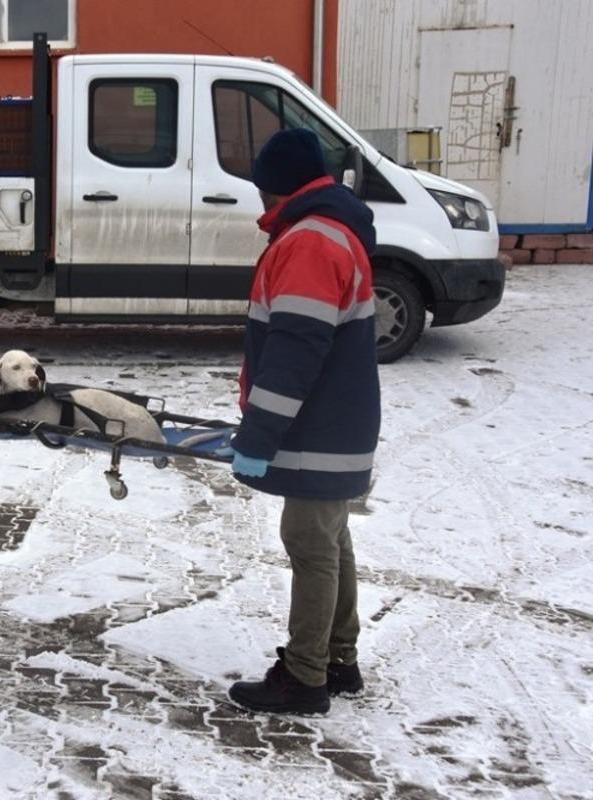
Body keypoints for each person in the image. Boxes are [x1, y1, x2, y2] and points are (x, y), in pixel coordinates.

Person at [225, 128, 380, 714]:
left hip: (319, 428)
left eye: (261, 188)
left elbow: (294, 353)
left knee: (310, 542)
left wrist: (258, 436)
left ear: (275, 186)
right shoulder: (328, 230)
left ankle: (305, 677)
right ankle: (339, 659)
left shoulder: (310, 243)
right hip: (335, 424)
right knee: (329, 539)